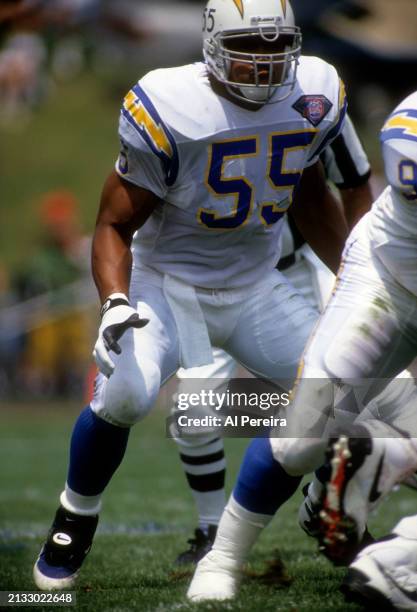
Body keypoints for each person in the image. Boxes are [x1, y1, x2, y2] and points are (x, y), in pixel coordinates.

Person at [33, 0, 350, 590]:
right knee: (125, 394)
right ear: (212, 44)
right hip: (168, 285)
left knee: (345, 393)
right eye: (250, 49)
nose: (266, 64)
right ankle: (73, 518)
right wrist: (114, 302)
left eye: (277, 46)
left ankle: (281, 518)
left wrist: (356, 280)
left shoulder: (316, 91)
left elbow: (310, 194)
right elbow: (113, 225)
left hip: (258, 286)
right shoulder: (171, 104)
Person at [187, 91, 417, 602]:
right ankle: (223, 556)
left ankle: (380, 471)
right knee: (303, 434)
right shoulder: (411, 131)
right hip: (390, 281)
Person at [172, 112, 373, 565]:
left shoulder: (316, 101)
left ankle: (328, 506)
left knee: (340, 393)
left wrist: (362, 270)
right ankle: (209, 527)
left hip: (298, 269)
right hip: (211, 278)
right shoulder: (196, 112)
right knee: (194, 404)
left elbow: (353, 184)